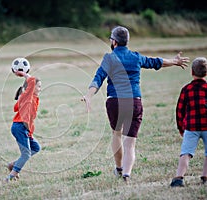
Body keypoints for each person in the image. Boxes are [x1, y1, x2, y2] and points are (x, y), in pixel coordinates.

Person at [82, 26, 189, 182]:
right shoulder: (136, 57)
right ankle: (127, 174)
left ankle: (119, 169)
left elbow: (98, 78)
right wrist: (174, 61)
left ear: (114, 42)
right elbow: (156, 62)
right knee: (130, 143)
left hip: (115, 101)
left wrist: (89, 95)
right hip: (134, 101)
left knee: (116, 134)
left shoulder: (109, 58)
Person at [170, 57, 207, 187]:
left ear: (192, 72)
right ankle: (205, 176)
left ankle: (179, 177)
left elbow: (180, 111)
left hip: (191, 127)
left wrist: (181, 128)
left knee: (186, 153)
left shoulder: (186, 89)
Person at [6, 71, 41, 182]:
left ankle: (14, 165)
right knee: (26, 154)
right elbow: (31, 82)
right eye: (39, 87)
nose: (40, 89)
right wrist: (26, 75)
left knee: (36, 148)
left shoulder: (33, 98)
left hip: (24, 129)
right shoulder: (27, 97)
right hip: (20, 127)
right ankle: (10, 177)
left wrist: (29, 132)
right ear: (31, 88)